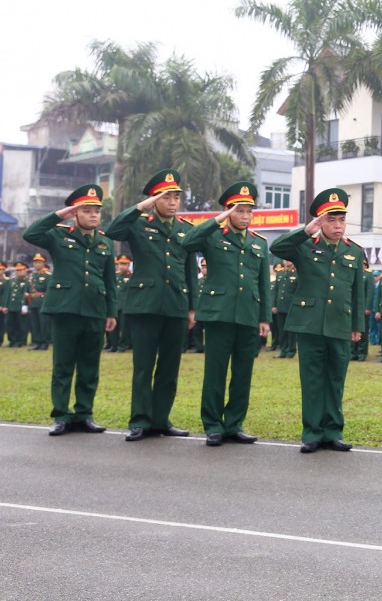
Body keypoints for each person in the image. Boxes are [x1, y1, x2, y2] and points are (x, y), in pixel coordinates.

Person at [269, 188, 364, 453]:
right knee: (312, 379)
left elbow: (357, 294)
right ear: (321, 222)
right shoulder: (305, 247)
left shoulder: (354, 252)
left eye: (341, 220)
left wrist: (357, 326)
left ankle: (333, 431)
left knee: (335, 379)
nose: (337, 225)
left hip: (340, 324)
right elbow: (277, 247)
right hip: (310, 323)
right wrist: (306, 230)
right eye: (331, 220)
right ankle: (311, 432)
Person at [107, 169, 198, 442]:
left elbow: (190, 271)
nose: (172, 202)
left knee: (170, 367)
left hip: (176, 305)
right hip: (144, 304)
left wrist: (192, 307)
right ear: (154, 199)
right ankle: (140, 420)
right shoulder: (138, 224)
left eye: (176, 197)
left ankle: (161, 420)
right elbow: (113, 230)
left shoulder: (185, 229)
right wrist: (141, 207)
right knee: (143, 366)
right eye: (166, 197)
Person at [21, 184, 117, 435]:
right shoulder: (58, 235)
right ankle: (62, 415)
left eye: (97, 210)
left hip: (95, 310)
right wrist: (59, 215)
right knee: (63, 365)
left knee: (89, 367)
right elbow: (30, 234)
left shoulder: (105, 242)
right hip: (66, 309)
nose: (94, 215)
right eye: (87, 210)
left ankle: (84, 414)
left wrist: (111, 312)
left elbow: (110, 281)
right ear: (75, 213)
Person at [182, 182, 272, 446]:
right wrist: (216, 220)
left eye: (248, 211)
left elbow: (263, 284)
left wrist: (264, 318)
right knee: (216, 372)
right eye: (239, 211)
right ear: (227, 211)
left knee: (243, 373)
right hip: (218, 315)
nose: (245, 216)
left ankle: (234, 424)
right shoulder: (213, 236)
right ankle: (213, 425)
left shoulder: (259, 243)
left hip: (248, 315)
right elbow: (187, 242)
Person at [273, 261, 298, 358]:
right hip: (280, 306)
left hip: (291, 306)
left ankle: (291, 350)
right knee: (281, 330)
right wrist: (274, 305)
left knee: (291, 330)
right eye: (285, 260)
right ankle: (283, 350)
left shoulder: (297, 273)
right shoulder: (280, 273)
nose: (287, 262)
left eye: (289, 260)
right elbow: (276, 290)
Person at [4, 261, 31, 348]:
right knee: (11, 324)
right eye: (17, 270)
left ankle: (21, 340)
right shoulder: (12, 281)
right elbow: (8, 294)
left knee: (22, 325)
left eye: (21, 270)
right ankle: (12, 340)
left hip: (21, 306)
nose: (19, 272)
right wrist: (5, 305)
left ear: (26, 270)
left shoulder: (28, 281)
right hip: (11, 305)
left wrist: (25, 305)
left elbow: (28, 294)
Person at [28, 254, 51, 351]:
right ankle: (36, 342)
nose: (37, 264)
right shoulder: (32, 275)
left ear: (43, 263)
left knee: (43, 324)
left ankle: (44, 342)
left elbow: (49, 291)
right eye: (35, 262)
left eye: (39, 262)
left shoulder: (47, 275)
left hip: (43, 302)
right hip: (33, 302)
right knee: (35, 323)